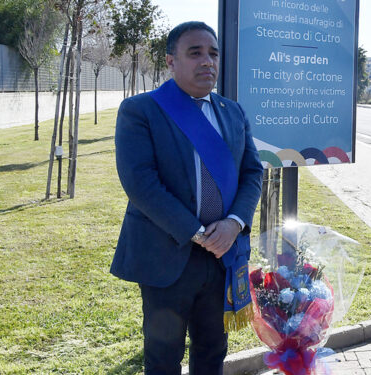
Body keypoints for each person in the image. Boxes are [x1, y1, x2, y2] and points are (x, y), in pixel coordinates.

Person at [110, 21, 263, 374]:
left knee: (213, 351)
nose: (207, 61)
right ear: (170, 61)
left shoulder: (233, 112)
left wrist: (233, 223)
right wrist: (198, 232)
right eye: (195, 53)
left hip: (222, 255)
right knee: (163, 358)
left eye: (213, 53)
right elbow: (140, 183)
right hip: (169, 254)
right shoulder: (141, 111)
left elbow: (252, 173)